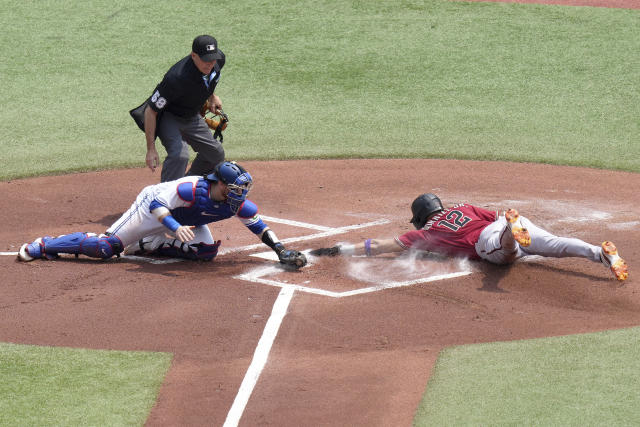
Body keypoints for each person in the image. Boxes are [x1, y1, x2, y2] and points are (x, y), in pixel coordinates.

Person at [17, 161, 307, 269]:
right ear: (219, 184)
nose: (239, 194)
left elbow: (257, 225)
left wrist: (280, 250)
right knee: (106, 249)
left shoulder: (233, 203)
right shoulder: (191, 188)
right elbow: (157, 205)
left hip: (175, 220)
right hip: (151, 208)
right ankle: (45, 245)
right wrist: (172, 225)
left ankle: (151, 243)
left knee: (205, 252)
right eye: (233, 188)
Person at [311, 193, 629, 282]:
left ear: (421, 215)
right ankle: (601, 255)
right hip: (498, 222)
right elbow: (489, 218)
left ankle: (511, 231)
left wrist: (343, 248)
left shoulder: (425, 232)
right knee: (554, 245)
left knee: (505, 253)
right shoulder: (464, 206)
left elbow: (381, 246)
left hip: (490, 242)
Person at [130, 35, 227, 182]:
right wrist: (151, 149)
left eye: (213, 58)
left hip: (192, 116)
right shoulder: (176, 78)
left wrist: (211, 96)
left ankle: (187, 185)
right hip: (169, 117)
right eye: (206, 60)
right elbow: (150, 111)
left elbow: (209, 79)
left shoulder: (218, 61)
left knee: (215, 153)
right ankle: (166, 196)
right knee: (179, 155)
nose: (210, 64)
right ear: (193, 55)